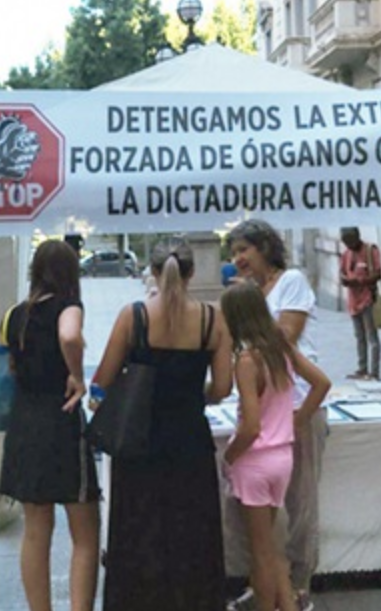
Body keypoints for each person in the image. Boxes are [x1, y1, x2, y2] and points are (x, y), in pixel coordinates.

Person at [92, 236, 233, 611]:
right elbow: (222, 388)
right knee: (191, 536)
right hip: (189, 442)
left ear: (153, 272)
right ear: (191, 273)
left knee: (139, 534)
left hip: (139, 444)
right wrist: (191, 393)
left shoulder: (133, 316)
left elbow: (101, 382)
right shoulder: (212, 320)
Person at [0, 239, 100, 611]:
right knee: (85, 533)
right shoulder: (69, 305)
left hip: (24, 424)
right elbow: (69, 334)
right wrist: (76, 374)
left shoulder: (15, 315)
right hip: (62, 422)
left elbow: (9, 367)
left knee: (36, 532)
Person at [226, 219, 325, 611]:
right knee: (264, 525)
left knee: (299, 504)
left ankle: (297, 585)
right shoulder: (252, 293)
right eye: (234, 253)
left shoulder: (292, 281)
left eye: (242, 251)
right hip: (275, 416)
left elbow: (287, 335)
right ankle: (268, 584)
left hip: (293, 407)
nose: (237, 260)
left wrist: (248, 311)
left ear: (264, 248)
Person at [338, 227, 381, 381]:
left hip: (367, 298)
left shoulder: (370, 251)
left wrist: (359, 281)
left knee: (372, 337)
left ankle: (374, 372)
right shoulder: (346, 254)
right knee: (359, 336)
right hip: (353, 301)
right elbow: (342, 273)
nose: (348, 245)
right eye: (345, 243)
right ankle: (362, 368)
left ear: (357, 238)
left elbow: (378, 273)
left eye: (350, 242)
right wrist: (345, 280)